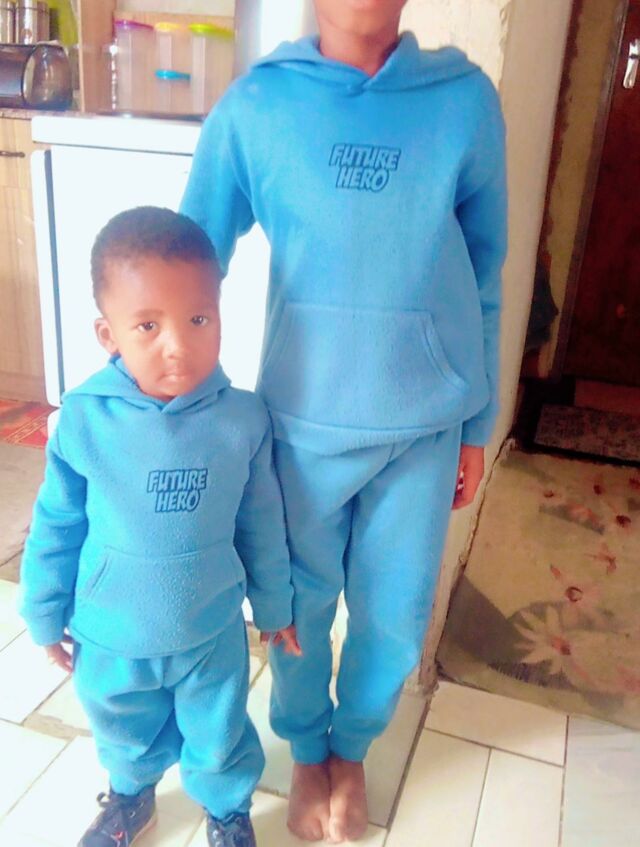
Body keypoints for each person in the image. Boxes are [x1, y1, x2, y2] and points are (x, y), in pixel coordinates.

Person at [181, 0, 508, 842]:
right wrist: (177, 410)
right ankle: (306, 748)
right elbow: (187, 262)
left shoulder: (464, 102)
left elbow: (486, 269)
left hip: (425, 426)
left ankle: (352, 749)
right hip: (299, 427)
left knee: (393, 614)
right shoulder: (257, 107)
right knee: (294, 604)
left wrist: (479, 421)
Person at [19, 207, 301, 847]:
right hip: (111, 632)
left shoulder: (243, 420)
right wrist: (43, 610)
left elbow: (261, 521)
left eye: (199, 319)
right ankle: (130, 797)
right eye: (148, 325)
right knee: (122, 730)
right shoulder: (83, 421)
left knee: (220, 732)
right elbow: (56, 525)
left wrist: (276, 606)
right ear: (108, 334)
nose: (178, 344)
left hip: (210, 630)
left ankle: (226, 811)